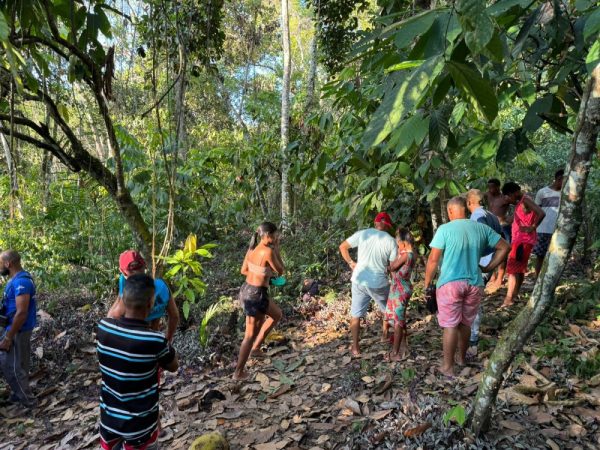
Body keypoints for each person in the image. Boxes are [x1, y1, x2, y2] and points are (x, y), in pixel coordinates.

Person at [424, 197, 510, 377]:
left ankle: (447, 367)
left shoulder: (444, 229)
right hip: (474, 283)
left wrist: (427, 284)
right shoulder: (481, 228)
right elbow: (505, 247)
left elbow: (433, 259)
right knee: (465, 322)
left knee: (450, 325)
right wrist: (488, 268)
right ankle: (461, 359)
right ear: (466, 209)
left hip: (450, 283)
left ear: (450, 211)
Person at [97, 274, 178, 450]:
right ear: (150, 305)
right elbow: (173, 366)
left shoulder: (103, 327)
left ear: (122, 300)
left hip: (109, 421)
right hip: (140, 426)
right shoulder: (155, 340)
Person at [339, 212, 397, 356]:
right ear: (387, 225)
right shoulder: (391, 241)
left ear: (375, 223)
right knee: (389, 310)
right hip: (378, 282)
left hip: (359, 279)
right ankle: (386, 336)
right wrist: (395, 282)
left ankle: (355, 348)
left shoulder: (363, 233)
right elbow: (393, 267)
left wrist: (351, 263)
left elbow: (343, 247)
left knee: (356, 314)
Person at [233, 222, 284, 380]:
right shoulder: (268, 251)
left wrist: (262, 273)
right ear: (268, 236)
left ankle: (256, 348)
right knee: (249, 335)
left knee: (277, 315)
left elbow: (244, 270)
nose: (277, 238)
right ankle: (238, 372)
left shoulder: (252, 249)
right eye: (276, 235)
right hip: (256, 294)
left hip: (247, 290)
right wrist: (277, 249)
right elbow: (281, 270)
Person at [107, 250, 179, 342]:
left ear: (123, 272)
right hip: (152, 334)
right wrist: (168, 340)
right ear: (145, 266)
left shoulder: (124, 282)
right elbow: (174, 316)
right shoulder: (162, 286)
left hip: (130, 332)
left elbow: (116, 312)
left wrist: (107, 326)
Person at [466, 189, 503, 352]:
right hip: (488, 263)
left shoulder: (477, 217)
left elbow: (481, 238)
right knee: (476, 300)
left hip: (480, 264)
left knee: (472, 302)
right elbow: (502, 241)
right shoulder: (492, 216)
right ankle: (471, 337)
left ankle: (472, 340)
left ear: (469, 203)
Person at [0, 250, 37, 408]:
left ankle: (27, 400)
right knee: (19, 363)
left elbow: (21, 313)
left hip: (16, 330)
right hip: (13, 327)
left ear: (8, 264)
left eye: (0, 263)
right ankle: (18, 394)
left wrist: (8, 337)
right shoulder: (15, 280)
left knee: (12, 366)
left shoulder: (22, 282)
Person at [501, 182, 546, 307]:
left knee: (512, 269)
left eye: (507, 197)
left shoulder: (525, 200)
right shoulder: (521, 202)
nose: (508, 200)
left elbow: (541, 213)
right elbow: (515, 219)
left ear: (512, 193)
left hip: (522, 241)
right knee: (519, 269)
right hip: (522, 240)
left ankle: (508, 299)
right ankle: (513, 296)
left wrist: (532, 227)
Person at [384, 228, 415, 361]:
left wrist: (388, 266)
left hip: (400, 291)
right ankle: (403, 346)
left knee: (398, 321)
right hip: (400, 289)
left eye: (398, 244)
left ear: (402, 243)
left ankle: (395, 353)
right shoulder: (411, 253)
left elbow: (392, 267)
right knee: (399, 319)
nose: (397, 246)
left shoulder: (406, 255)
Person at [533, 169, 564, 277]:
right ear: (558, 179)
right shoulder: (542, 192)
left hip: (559, 230)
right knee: (540, 256)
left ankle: (550, 278)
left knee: (555, 257)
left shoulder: (565, 193)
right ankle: (537, 278)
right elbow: (536, 210)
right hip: (543, 229)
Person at [485, 178, 512, 290]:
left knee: (502, 252)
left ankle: (500, 278)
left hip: (502, 227)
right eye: (489, 187)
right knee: (490, 251)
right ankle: (493, 275)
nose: (491, 190)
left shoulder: (504, 198)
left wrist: (510, 219)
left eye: (493, 187)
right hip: (490, 227)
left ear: (498, 186)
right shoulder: (487, 195)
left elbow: (520, 202)